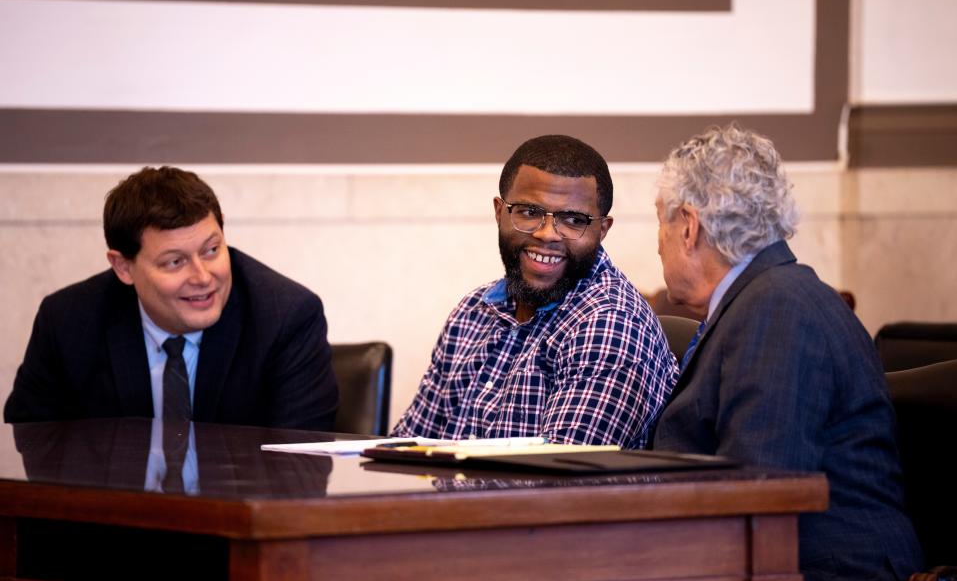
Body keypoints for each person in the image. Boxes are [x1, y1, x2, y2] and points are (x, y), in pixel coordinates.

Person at [650, 124, 922, 581]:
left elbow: (760, 491)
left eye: (661, 223)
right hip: (764, 575)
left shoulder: (778, 309)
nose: (657, 243)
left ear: (689, 225)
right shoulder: (768, 299)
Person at [392, 135, 677, 449]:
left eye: (573, 220)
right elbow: (405, 449)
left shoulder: (611, 324)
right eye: (529, 212)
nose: (546, 234)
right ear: (500, 212)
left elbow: (558, 486)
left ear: (602, 230)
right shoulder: (472, 313)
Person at [4, 166, 338, 430]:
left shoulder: (285, 317)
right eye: (174, 262)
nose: (203, 277)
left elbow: (298, 466)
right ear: (123, 267)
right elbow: (30, 445)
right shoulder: (68, 321)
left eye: (211, 250)